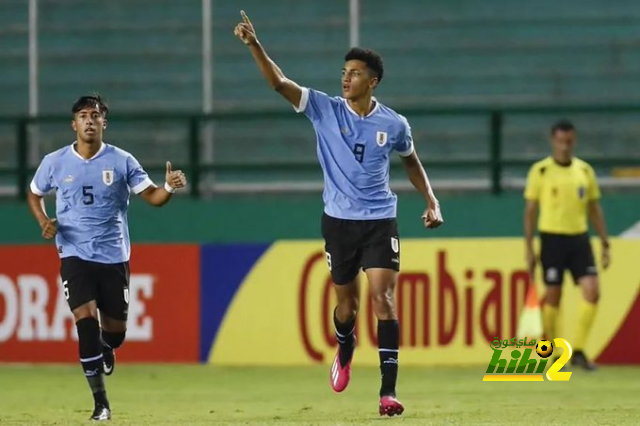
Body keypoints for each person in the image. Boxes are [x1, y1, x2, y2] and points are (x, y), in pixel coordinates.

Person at [234, 11, 443, 416]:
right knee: (346, 307)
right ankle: (344, 348)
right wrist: (254, 45)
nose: (346, 78)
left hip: (380, 220)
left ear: (373, 81)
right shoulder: (324, 109)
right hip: (340, 222)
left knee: (384, 299)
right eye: (344, 71)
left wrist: (431, 201)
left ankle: (387, 393)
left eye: (354, 73)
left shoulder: (394, 123)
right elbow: (279, 84)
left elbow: (411, 162)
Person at [27, 95, 187, 420]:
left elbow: (153, 197)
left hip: (113, 257)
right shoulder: (55, 162)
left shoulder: (122, 161)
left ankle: (107, 345)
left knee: (115, 333)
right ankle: (101, 403)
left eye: (95, 115)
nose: (89, 120)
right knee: (85, 324)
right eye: (83, 116)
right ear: (74, 124)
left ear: (104, 123)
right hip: (74, 254)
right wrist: (44, 221)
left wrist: (168, 188)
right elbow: (34, 192)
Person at [524, 119, 610, 371]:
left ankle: (579, 351)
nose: (564, 147)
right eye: (560, 142)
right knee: (553, 296)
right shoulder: (540, 171)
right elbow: (530, 211)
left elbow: (594, 207)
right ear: (553, 141)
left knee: (592, 291)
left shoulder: (584, 171)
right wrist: (529, 249)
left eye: (569, 142)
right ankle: (553, 352)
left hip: (579, 239)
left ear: (574, 141)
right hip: (552, 239)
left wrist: (605, 242)